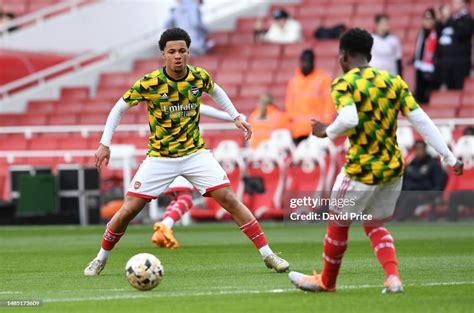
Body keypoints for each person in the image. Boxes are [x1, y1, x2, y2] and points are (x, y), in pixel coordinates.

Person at [84, 28, 289, 275]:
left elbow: (216, 91)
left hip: (195, 154)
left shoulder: (198, 77)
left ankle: (268, 255)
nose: (178, 56)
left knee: (230, 199)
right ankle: (100, 258)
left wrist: (235, 116)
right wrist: (105, 143)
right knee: (128, 210)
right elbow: (118, 109)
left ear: (188, 52)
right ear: (163, 54)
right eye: (172, 51)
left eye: (182, 51)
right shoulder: (150, 83)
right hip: (160, 157)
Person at [288, 28, 463, 294]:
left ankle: (326, 282)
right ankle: (392, 278)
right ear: (369, 55)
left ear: (344, 57)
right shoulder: (393, 81)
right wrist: (448, 156)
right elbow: (421, 120)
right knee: (373, 223)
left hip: (361, 171)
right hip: (393, 169)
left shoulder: (345, 82)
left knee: (337, 223)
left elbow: (349, 119)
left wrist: (327, 131)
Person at [151, 104, 241, 248]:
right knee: (185, 197)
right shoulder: (184, 101)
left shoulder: (168, 101)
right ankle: (165, 225)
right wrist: (236, 117)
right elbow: (210, 110)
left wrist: (235, 116)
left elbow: (208, 110)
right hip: (181, 154)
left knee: (180, 197)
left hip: (172, 155)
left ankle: (164, 226)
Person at [285, 49, 333, 144]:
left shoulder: (323, 79)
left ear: (313, 62)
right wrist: (290, 126)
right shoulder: (293, 81)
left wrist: (325, 125)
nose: (305, 64)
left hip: (315, 131)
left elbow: (329, 104)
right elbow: (289, 106)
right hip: (297, 132)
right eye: (303, 62)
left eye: (308, 62)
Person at [396, 140, 447, 221]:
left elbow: (439, 183)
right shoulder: (410, 165)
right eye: (416, 149)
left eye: (421, 149)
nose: (418, 151)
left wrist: (432, 193)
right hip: (410, 191)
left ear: (425, 150)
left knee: (410, 199)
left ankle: (399, 220)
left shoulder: (433, 164)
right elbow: (404, 181)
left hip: (426, 192)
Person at [435, 0, 473, 90]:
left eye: (457, 2)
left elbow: (462, 33)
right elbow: (439, 32)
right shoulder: (451, 19)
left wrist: (450, 19)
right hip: (447, 61)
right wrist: (439, 18)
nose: (454, 4)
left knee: (458, 90)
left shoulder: (468, 19)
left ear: (464, 3)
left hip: (460, 62)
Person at [413, 8, 440, 103]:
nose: (427, 22)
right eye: (425, 19)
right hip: (420, 68)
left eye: (430, 19)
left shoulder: (437, 33)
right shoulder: (421, 34)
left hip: (432, 70)